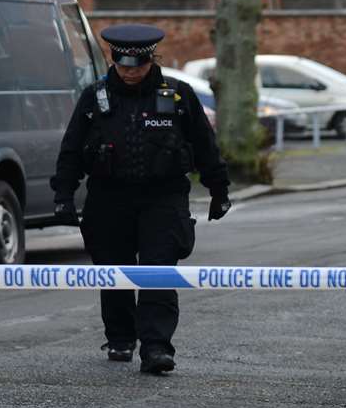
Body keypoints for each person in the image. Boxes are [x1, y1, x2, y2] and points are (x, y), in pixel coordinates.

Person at [52, 24, 230, 375]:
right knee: (113, 271)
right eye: (123, 65)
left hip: (162, 197)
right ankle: (120, 336)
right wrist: (63, 195)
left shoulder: (178, 96)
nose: (130, 72)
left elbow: (205, 146)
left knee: (157, 272)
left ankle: (156, 347)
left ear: (151, 60)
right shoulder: (95, 97)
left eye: (137, 65)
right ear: (114, 61)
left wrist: (219, 189)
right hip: (108, 198)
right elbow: (71, 149)